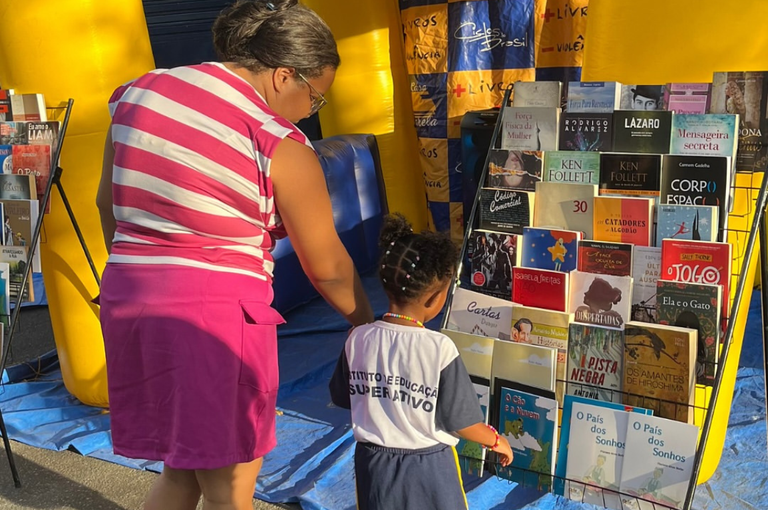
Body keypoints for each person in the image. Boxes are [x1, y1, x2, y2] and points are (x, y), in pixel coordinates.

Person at [95, 1, 374, 509]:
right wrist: (367, 325)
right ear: (284, 75)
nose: (311, 112)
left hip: (128, 297)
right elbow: (327, 267)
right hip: (215, 318)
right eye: (315, 97)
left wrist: (140, 269)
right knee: (231, 486)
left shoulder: (140, 91)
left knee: (181, 469)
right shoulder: (277, 140)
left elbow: (105, 204)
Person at [329, 214, 514, 510]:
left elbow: (343, 397)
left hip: (372, 466)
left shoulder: (357, 338)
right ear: (434, 298)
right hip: (429, 469)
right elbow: (463, 422)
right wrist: (495, 440)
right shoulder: (439, 348)